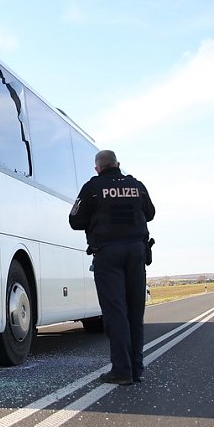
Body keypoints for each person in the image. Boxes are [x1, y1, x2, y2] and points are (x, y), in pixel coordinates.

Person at [69, 150, 155, 386]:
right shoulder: (136, 185)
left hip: (108, 254)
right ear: (118, 164)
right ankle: (136, 369)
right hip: (137, 253)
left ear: (97, 168)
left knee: (116, 313)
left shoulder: (92, 187)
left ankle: (121, 370)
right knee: (135, 313)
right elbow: (151, 213)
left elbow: (74, 220)